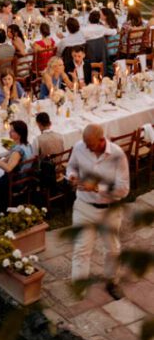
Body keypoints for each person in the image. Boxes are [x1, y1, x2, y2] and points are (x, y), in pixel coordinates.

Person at [66, 123, 129, 296]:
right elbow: (71, 166)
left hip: (110, 210)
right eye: (84, 142)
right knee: (81, 249)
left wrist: (96, 188)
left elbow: (124, 189)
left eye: (90, 144)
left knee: (113, 249)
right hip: (84, 207)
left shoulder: (117, 155)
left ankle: (112, 282)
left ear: (102, 140)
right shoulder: (79, 148)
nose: (86, 146)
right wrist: (71, 176)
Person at [0, 121, 35, 217]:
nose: (9, 133)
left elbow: (9, 168)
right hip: (24, 178)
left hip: (14, 182)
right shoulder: (27, 145)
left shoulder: (18, 151)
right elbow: (11, 156)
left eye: (12, 131)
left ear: (20, 134)